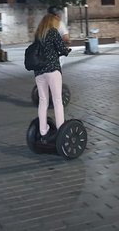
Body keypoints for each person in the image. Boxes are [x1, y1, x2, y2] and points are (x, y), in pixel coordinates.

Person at [33, 13, 71, 143]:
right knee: (57, 100)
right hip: (52, 70)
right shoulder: (53, 32)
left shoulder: (38, 34)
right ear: (52, 22)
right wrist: (66, 51)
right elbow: (61, 48)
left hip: (39, 72)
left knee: (43, 101)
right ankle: (61, 129)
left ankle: (43, 131)